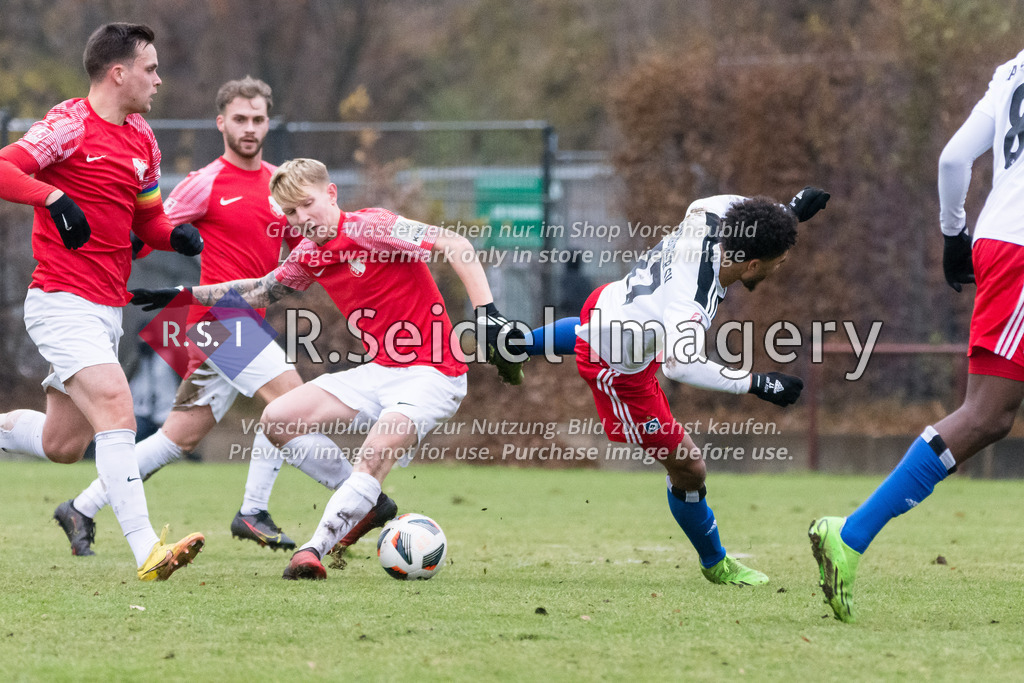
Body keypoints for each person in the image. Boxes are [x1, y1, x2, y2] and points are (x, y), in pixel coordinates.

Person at [129, 157, 525, 580]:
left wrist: (487, 313)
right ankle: (366, 504)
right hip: (381, 370)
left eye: (306, 205)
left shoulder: (372, 227)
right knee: (276, 419)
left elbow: (454, 244)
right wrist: (184, 294)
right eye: (290, 213)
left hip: (434, 373)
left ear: (331, 193)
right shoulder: (310, 254)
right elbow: (262, 290)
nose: (300, 219)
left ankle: (313, 549)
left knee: (373, 454)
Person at [50, 77, 396, 558]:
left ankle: (81, 507)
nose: (249, 128)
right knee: (293, 404)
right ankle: (357, 501)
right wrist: (115, 255)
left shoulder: (280, 187)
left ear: (267, 122)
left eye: (257, 119)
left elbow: (306, 249)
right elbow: (154, 229)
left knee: (177, 437)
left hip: (250, 322)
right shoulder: (205, 182)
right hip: (218, 321)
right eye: (240, 119)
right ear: (221, 123)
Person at [810, 48, 1024, 623]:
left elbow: (955, 159)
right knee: (985, 414)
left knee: (989, 415)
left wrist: (954, 235)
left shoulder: (1012, 70)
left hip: (1000, 240)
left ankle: (851, 535)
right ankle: (850, 535)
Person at [529, 188, 827, 586]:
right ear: (752, 265)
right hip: (617, 372)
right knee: (689, 467)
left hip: (610, 305)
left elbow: (731, 205)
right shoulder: (693, 302)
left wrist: (787, 213)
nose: (779, 269)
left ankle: (511, 346)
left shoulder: (707, 216)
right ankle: (715, 561)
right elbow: (681, 365)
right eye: (778, 263)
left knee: (588, 330)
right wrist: (758, 383)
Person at [0, 23, 205, 580]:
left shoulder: (142, 138)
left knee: (63, 443)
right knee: (119, 406)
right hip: (61, 299)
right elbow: (4, 166)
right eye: (151, 68)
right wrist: (54, 195)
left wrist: (174, 235)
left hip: (104, 307)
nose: (159, 80)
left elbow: (148, 218)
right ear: (119, 73)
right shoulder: (69, 125)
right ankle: (147, 552)